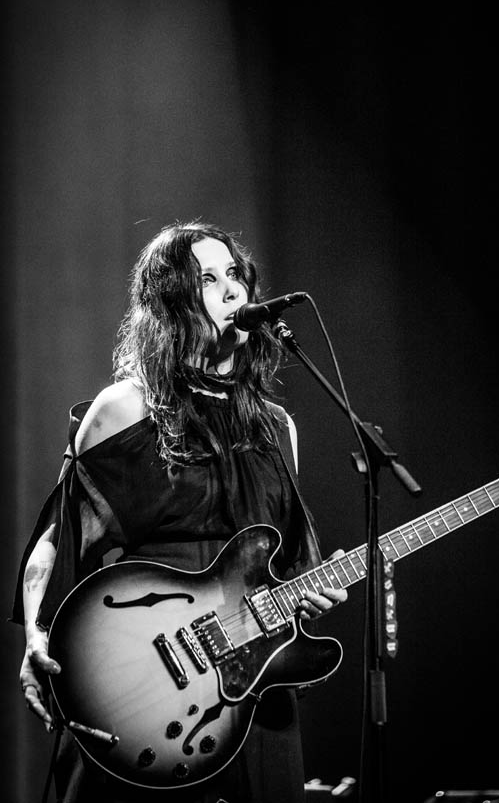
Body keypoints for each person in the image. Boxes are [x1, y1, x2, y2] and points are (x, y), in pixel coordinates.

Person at [13, 220, 347, 803]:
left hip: (253, 697)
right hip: (143, 686)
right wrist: (37, 634)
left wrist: (313, 591)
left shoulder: (276, 427)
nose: (232, 291)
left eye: (235, 274)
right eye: (207, 279)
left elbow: (285, 570)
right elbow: (57, 537)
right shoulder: (126, 408)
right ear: (171, 304)